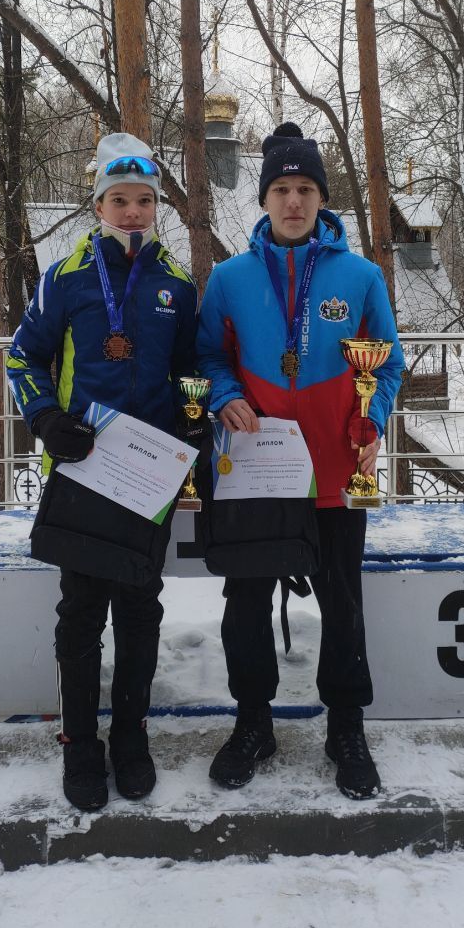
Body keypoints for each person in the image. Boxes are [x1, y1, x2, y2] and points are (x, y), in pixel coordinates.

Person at [196, 122, 404, 800]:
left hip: (339, 471)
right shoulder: (228, 279)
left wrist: (372, 415)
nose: (293, 201)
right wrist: (225, 393)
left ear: (322, 198)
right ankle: (253, 722)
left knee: (345, 604)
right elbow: (207, 358)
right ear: (264, 198)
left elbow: (388, 363)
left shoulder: (360, 276)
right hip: (257, 470)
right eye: (281, 188)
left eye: (305, 188)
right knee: (246, 602)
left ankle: (346, 725)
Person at [7, 132, 198, 812]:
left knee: (141, 610)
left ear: (156, 207)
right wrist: (44, 421)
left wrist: (194, 416)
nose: (132, 212)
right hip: (83, 467)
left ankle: (130, 738)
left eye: (144, 200)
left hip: (148, 476)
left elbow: (191, 371)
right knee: (81, 612)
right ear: (98, 206)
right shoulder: (64, 278)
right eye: (119, 200)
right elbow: (20, 358)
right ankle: (82, 742)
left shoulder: (177, 284)